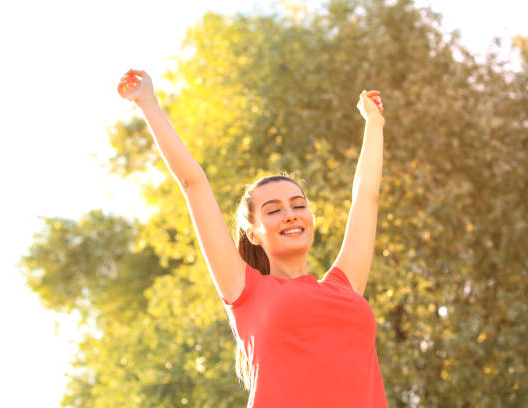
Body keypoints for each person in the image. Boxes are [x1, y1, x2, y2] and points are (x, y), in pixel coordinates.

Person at [117, 69, 388, 407]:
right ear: (253, 232)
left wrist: (374, 124)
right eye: (273, 210)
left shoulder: (343, 287)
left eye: (298, 205)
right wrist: (147, 102)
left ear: (310, 219)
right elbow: (193, 183)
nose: (290, 214)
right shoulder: (246, 290)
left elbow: (367, 197)